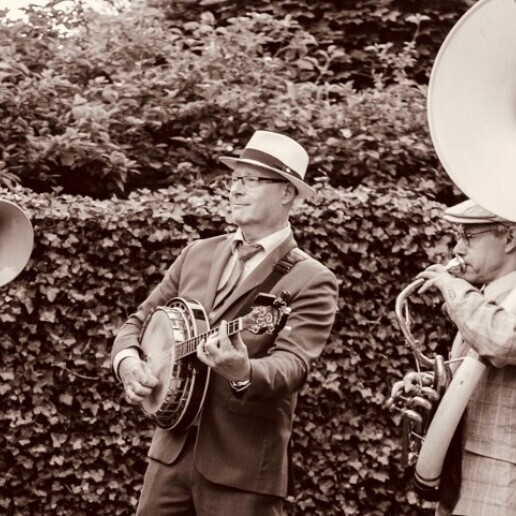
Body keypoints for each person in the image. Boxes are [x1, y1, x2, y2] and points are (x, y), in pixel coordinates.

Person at [111, 130, 339, 516]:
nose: (235, 190)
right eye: (234, 179)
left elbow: (293, 366)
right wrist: (129, 363)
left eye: (251, 180)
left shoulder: (312, 278)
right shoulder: (197, 253)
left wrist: (243, 370)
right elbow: (137, 323)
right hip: (169, 455)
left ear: (287, 192)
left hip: (243, 470)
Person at [409, 198, 516, 515]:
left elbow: (503, 340)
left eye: (469, 237)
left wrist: (449, 285)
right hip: (462, 482)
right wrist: (430, 383)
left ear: (510, 238)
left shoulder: (473, 302)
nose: (457, 248)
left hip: (501, 484)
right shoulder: (485, 299)